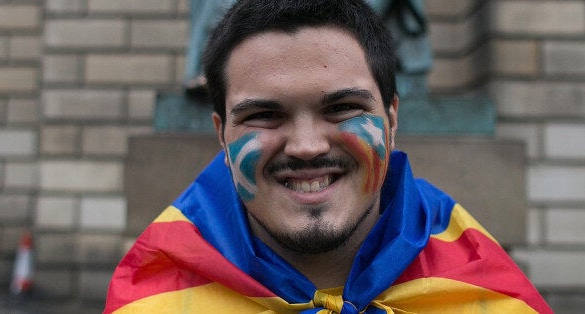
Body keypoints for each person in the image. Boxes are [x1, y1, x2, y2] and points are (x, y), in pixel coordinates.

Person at [105, 0, 552, 313]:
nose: (306, 146)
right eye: (264, 115)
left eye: (342, 109)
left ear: (392, 118)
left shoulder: (491, 297)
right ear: (222, 135)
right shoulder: (149, 304)